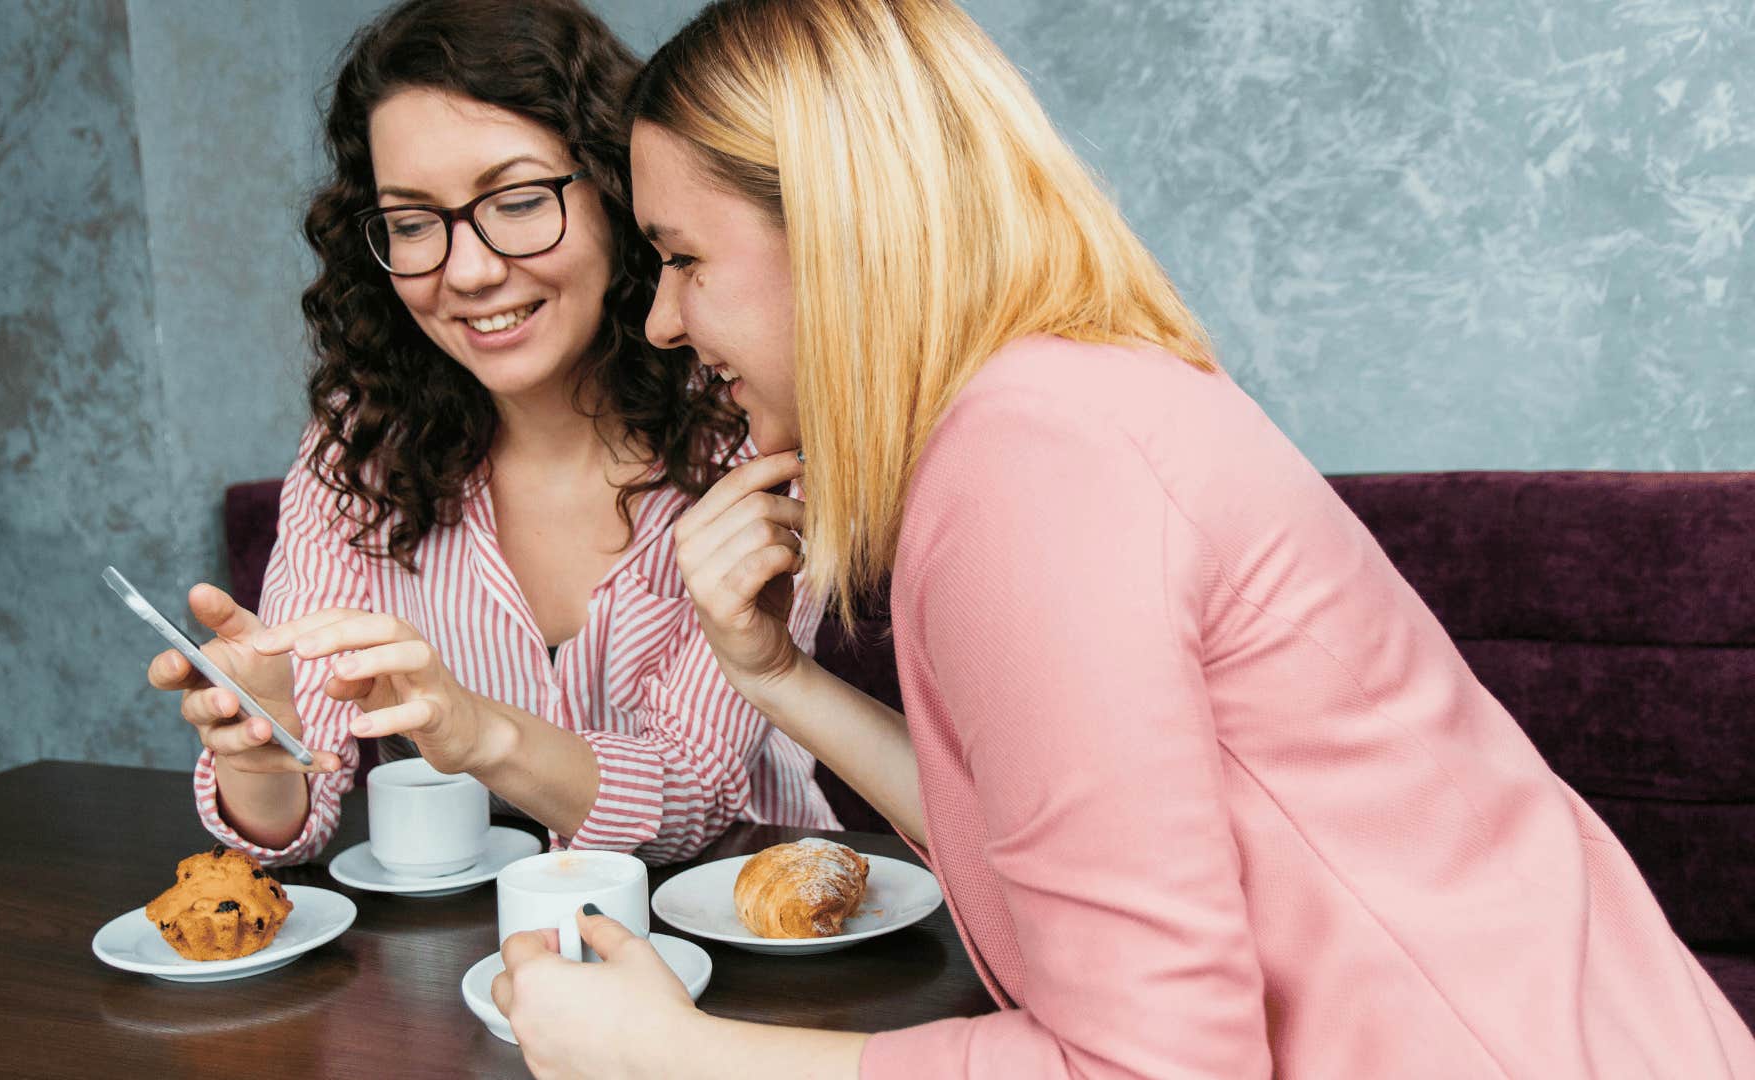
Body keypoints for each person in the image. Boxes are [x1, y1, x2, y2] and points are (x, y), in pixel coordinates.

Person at [491, 0, 1755, 1075]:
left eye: (683, 257)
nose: (661, 320)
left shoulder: (1026, 472)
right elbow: (1058, 869)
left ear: (837, 232)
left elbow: (1151, 1067)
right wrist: (779, 680)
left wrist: (684, 1054)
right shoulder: (1058, 408)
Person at [144, 0, 836, 869]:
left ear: (620, 195)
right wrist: (258, 750)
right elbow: (294, 820)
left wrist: (475, 731)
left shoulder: (753, 421)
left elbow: (688, 803)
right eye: (411, 222)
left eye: (514, 201)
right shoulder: (359, 440)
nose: (466, 271)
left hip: (755, 927)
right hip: (476, 957)